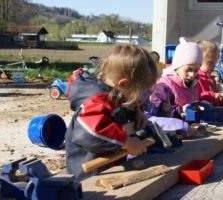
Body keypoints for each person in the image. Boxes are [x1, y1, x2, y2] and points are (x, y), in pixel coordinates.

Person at [65, 44, 158, 181]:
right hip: (89, 176)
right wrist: (126, 142)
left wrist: (136, 111)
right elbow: (90, 133)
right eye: (141, 93)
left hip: (110, 167)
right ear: (124, 84)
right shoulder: (96, 101)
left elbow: (121, 107)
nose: (143, 98)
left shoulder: (117, 93)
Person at [149, 37, 203, 118]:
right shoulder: (165, 85)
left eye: (196, 70)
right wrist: (179, 110)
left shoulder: (195, 84)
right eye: (189, 69)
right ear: (177, 67)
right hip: (172, 127)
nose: (192, 74)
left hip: (190, 126)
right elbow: (157, 110)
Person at [196, 40, 223, 107]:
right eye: (210, 62)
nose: (214, 66)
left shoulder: (211, 80)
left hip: (213, 114)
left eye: (215, 62)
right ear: (197, 60)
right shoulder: (195, 79)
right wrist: (214, 95)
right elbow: (197, 98)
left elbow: (217, 102)